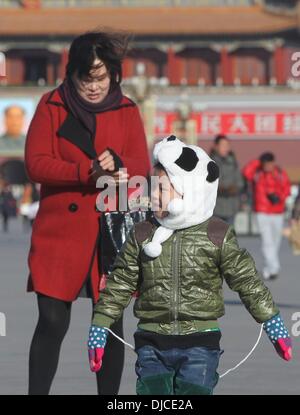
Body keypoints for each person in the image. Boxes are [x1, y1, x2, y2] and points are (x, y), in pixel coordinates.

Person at [87, 136, 292, 395]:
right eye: (153, 188)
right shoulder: (142, 233)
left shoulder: (216, 234)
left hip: (200, 343)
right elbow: (120, 282)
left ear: (188, 191)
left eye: (163, 189)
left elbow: (247, 282)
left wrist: (272, 322)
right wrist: (100, 325)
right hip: (151, 342)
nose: (154, 196)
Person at [25, 30, 150, 395]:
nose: (93, 87)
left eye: (100, 77)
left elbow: (141, 166)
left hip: (108, 233)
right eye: (85, 78)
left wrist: (122, 166)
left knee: (110, 322)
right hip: (59, 231)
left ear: (113, 73)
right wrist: (87, 171)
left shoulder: (127, 110)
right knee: (51, 320)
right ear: (72, 74)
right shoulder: (52, 105)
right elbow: (35, 164)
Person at [243, 152, 291, 280]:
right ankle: (274, 268)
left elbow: (287, 189)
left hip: (277, 212)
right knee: (267, 241)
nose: (267, 166)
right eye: (264, 164)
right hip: (261, 211)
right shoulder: (257, 173)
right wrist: (257, 161)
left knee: (275, 241)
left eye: (269, 163)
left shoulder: (280, 173)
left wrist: (278, 197)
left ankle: (268, 268)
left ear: (273, 163)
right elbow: (246, 172)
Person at [210, 134, 244, 225]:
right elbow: (207, 183)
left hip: (231, 206)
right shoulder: (209, 162)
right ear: (216, 146)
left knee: (229, 236)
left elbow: (240, 181)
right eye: (223, 145)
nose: (226, 148)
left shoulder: (233, 162)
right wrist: (220, 188)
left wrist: (235, 188)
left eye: (227, 145)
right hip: (215, 207)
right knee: (216, 236)